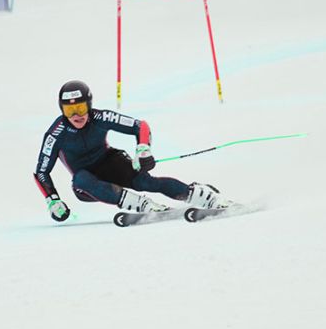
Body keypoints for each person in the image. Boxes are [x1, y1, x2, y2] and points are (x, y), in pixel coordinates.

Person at [33, 80, 225, 222]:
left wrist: (143, 149)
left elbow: (140, 126)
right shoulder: (55, 134)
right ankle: (141, 204)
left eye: (81, 108)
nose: (77, 115)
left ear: (89, 105)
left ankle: (198, 194)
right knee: (80, 178)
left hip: (111, 164)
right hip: (87, 184)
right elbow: (41, 171)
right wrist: (52, 200)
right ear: (62, 110)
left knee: (146, 182)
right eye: (70, 111)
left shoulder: (100, 117)